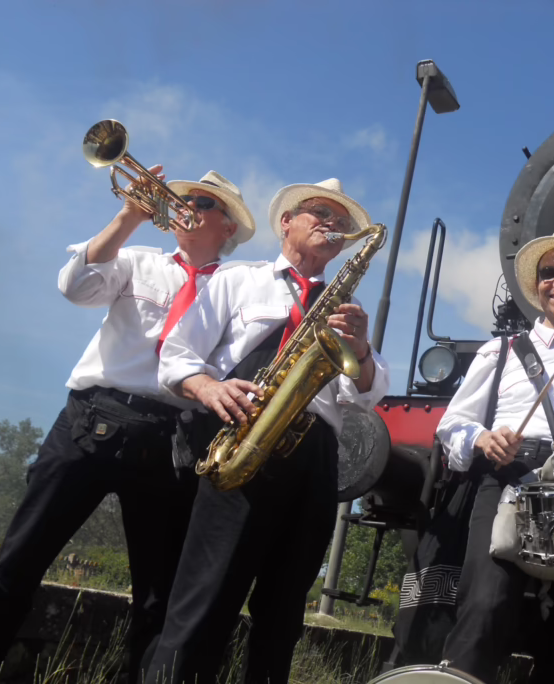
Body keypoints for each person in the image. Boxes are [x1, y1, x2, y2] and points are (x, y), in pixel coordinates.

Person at [0, 169, 255, 683]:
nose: (186, 206)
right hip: (92, 421)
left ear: (228, 228)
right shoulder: (136, 261)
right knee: (16, 563)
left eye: (202, 202)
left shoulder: (239, 290)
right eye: (182, 198)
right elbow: (76, 287)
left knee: (158, 598)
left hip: (174, 438)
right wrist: (130, 214)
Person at [145, 178, 389, 684]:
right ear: (286, 222)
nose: (332, 224)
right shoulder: (240, 279)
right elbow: (177, 355)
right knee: (204, 600)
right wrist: (209, 390)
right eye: (319, 213)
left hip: (315, 456)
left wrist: (362, 349)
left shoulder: (345, 312)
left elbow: (365, 395)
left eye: (341, 223)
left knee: (282, 617)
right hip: (243, 440)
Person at [434, 228, 554, 683]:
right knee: (486, 606)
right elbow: (452, 424)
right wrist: (483, 439)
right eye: (549, 272)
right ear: (537, 286)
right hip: (513, 479)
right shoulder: (502, 352)